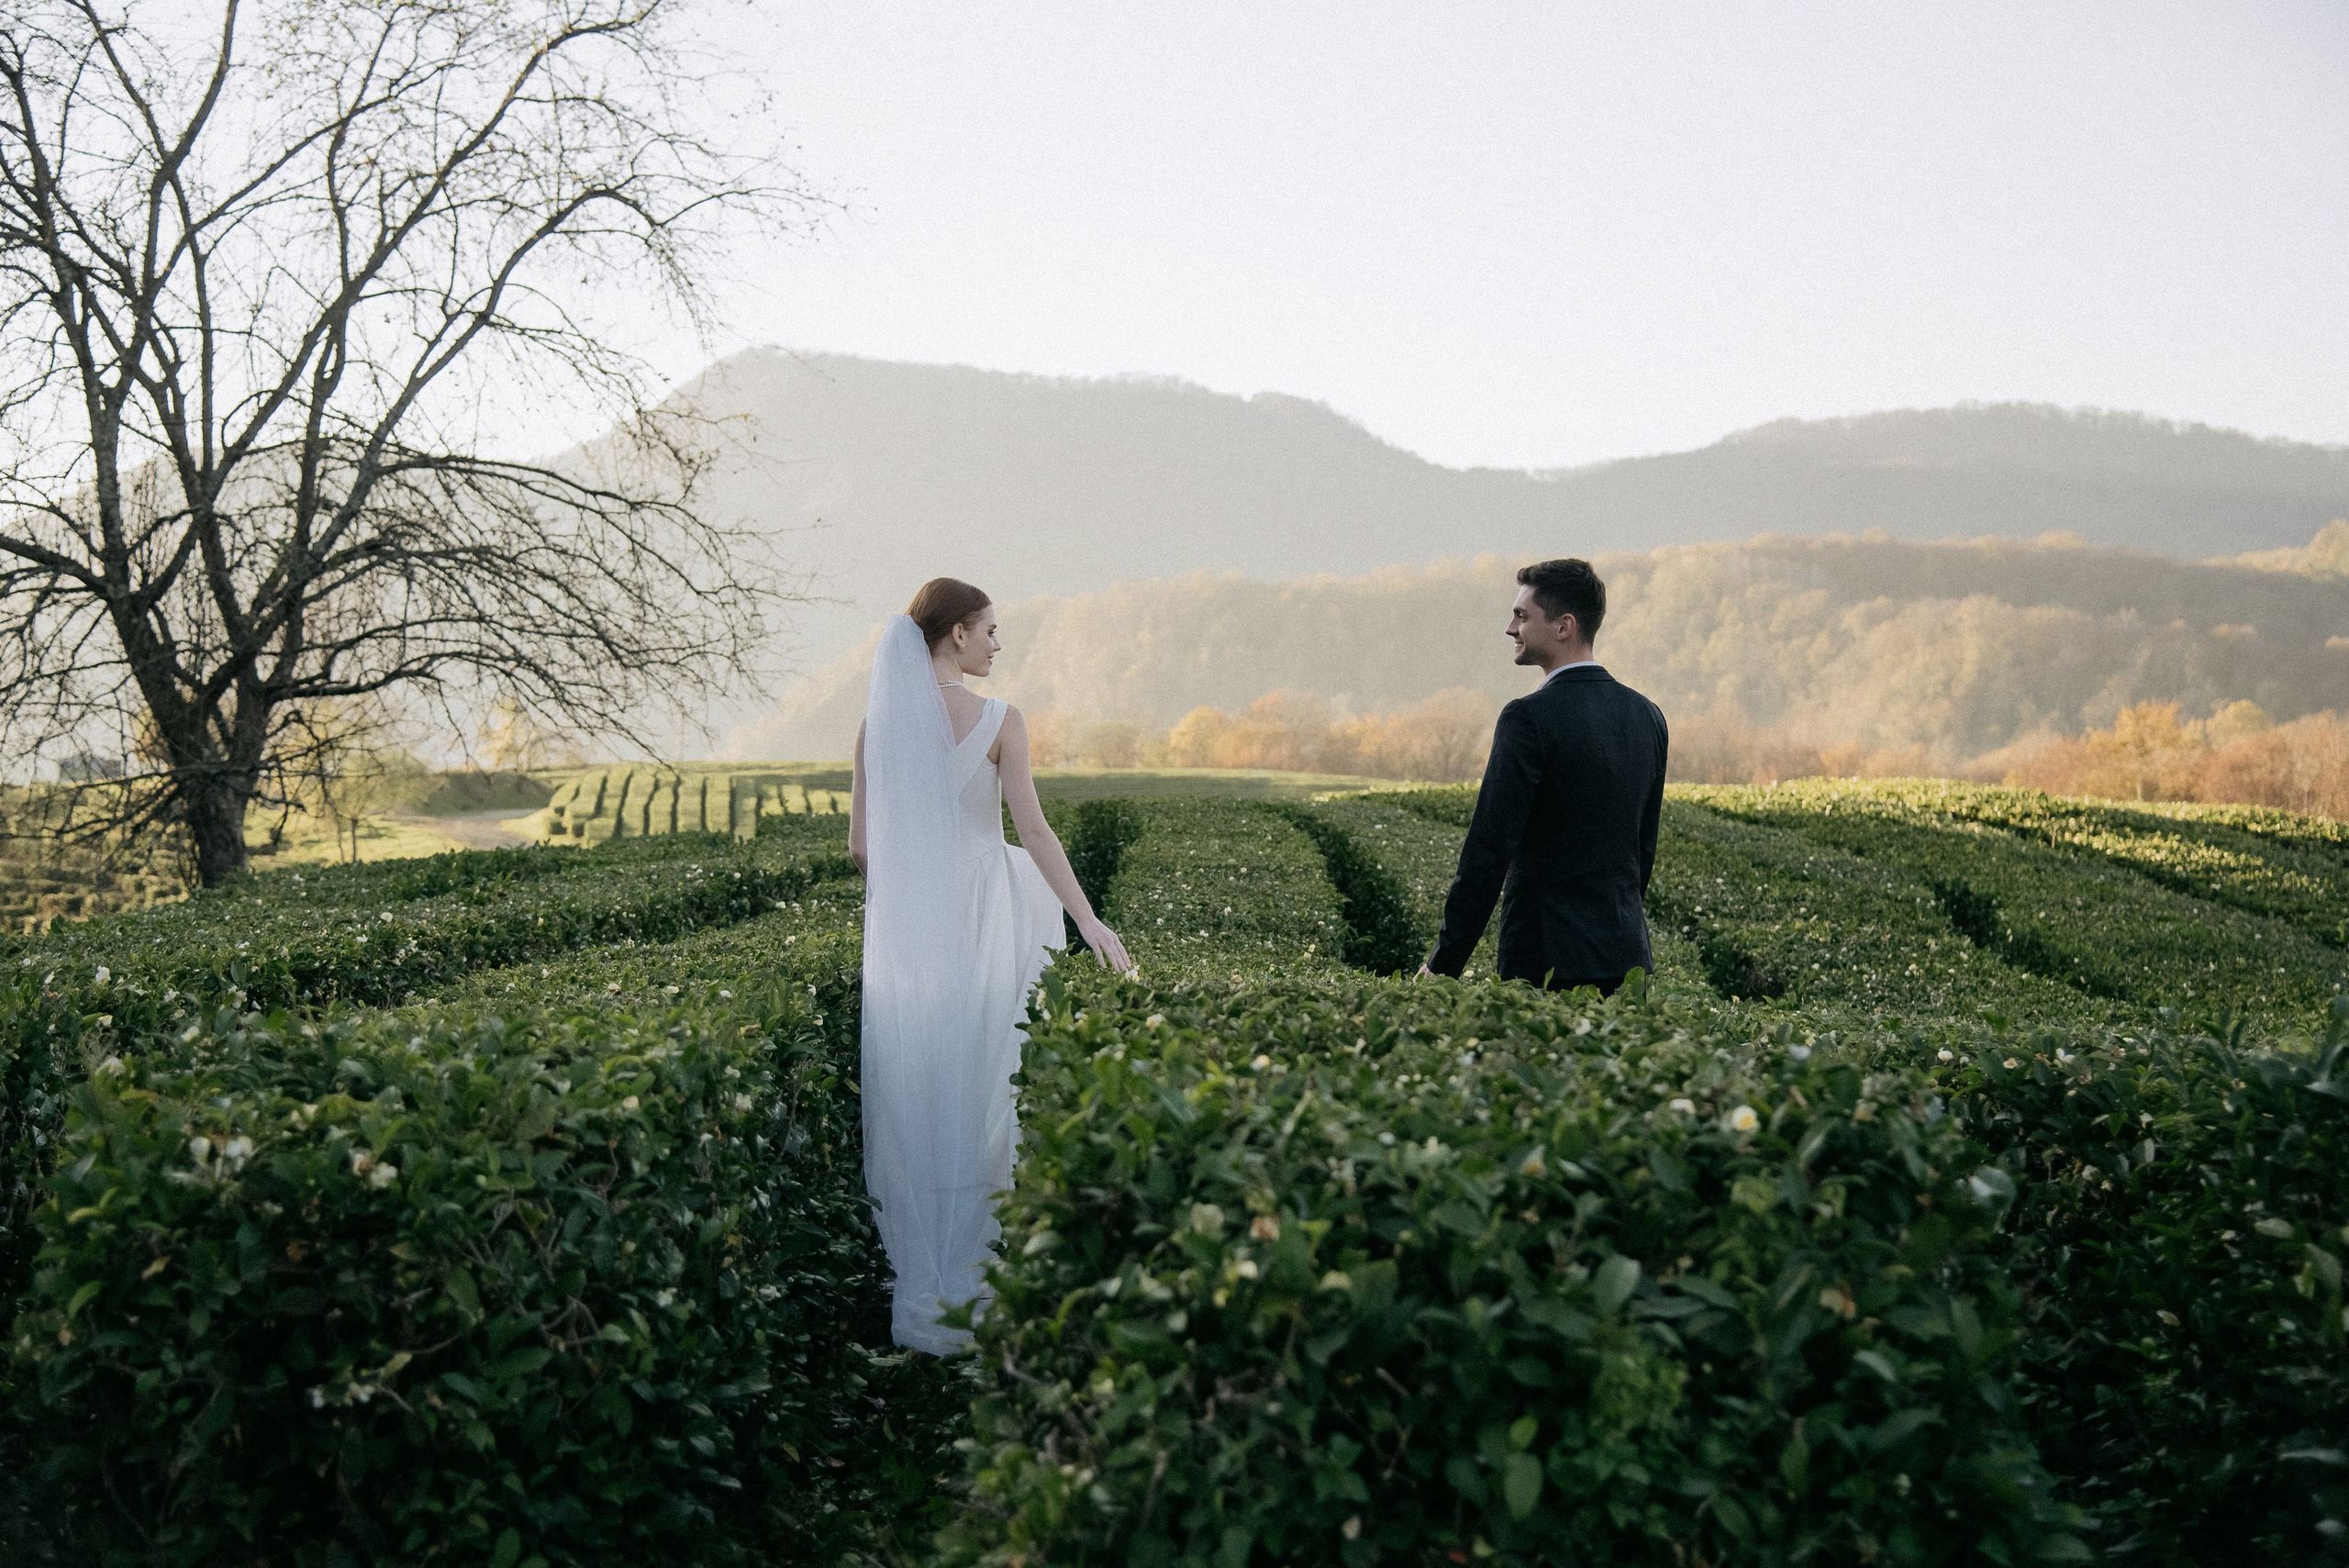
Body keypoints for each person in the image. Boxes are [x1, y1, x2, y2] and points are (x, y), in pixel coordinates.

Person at [851, 577, 1133, 1354]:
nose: (998, 644)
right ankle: (981, 1271)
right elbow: (1035, 831)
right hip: (987, 918)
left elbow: (863, 849)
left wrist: (916, 894)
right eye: (991, 630)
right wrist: (1086, 917)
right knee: (985, 1082)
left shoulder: (878, 727)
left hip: (913, 926)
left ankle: (926, 1272)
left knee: (922, 1082)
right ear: (956, 635)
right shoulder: (1003, 721)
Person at [1419, 558, 1667, 995]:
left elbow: (1488, 849)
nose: (1510, 629)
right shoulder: (1648, 716)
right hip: (1627, 963)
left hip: (1543, 962)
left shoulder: (1527, 718)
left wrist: (1444, 965)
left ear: (1564, 626)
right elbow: (1641, 851)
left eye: (1521, 616)